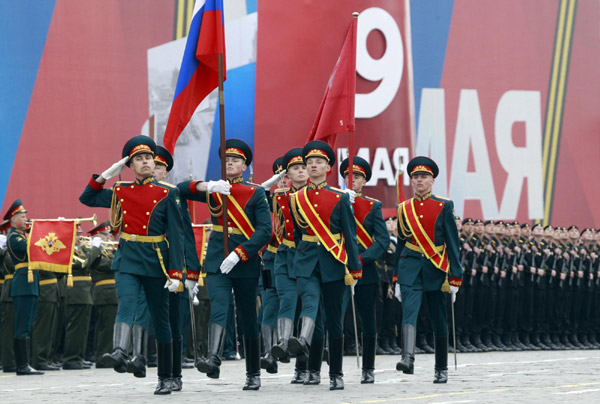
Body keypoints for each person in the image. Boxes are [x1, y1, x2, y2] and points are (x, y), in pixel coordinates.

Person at [79, 135, 185, 395]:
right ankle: (118, 351)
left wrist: (176, 272)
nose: (146, 162)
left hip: (156, 259)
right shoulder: (120, 191)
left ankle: (166, 376)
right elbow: (87, 198)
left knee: (161, 320)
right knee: (126, 302)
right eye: (139, 159)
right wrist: (104, 175)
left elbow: (177, 235)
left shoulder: (168, 193)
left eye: (148, 157)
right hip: (127, 257)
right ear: (130, 165)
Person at [179, 138, 272, 391]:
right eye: (226, 160)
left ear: (245, 166)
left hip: (244, 261)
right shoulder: (214, 189)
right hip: (218, 259)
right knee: (219, 306)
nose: (230, 163)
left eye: (236, 161)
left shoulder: (256, 192)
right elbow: (180, 189)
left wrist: (241, 253)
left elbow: (265, 231)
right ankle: (214, 359)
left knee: (247, 317)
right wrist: (207, 184)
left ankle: (253, 373)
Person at [287, 141, 362, 390]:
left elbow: (349, 235)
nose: (313, 166)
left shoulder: (340, 198)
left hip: (333, 261)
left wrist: (354, 267)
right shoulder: (296, 198)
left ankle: (337, 373)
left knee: (332, 321)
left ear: (328, 167)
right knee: (312, 312)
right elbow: (298, 232)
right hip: (307, 262)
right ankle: (312, 369)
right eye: (309, 163)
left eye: (318, 162)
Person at [394, 156, 462, 384]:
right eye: (415, 177)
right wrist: (396, 277)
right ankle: (407, 357)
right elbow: (401, 244)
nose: (419, 180)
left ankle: (440, 368)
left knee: (438, 318)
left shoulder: (444, 205)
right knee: (409, 312)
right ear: (411, 181)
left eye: (424, 177)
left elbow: (453, 243)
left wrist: (455, 277)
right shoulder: (404, 208)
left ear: (432, 180)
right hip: (410, 266)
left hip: (435, 268)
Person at [339, 156, 389, 383]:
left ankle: (368, 367)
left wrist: (362, 258)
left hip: (365, 270)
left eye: (357, 177)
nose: (352, 180)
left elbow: (382, 240)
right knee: (335, 319)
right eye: (348, 176)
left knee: (368, 321)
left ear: (364, 180)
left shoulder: (372, 205)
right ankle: (334, 367)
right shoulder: (334, 200)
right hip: (338, 267)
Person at [4, 200, 44, 375]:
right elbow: (33, 248)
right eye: (22, 216)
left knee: (27, 324)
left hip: (30, 283)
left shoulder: (23, 235)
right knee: (22, 324)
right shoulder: (14, 237)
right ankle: (21, 365)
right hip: (22, 283)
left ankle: (25, 363)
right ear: (13, 219)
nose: (26, 219)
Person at [87, 221, 118, 368]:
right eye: (104, 235)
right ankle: (102, 357)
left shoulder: (110, 251)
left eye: (109, 235)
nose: (108, 238)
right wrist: (95, 246)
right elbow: (106, 265)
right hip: (104, 293)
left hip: (114, 292)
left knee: (113, 327)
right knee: (105, 328)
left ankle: (112, 354)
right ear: (96, 236)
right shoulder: (95, 252)